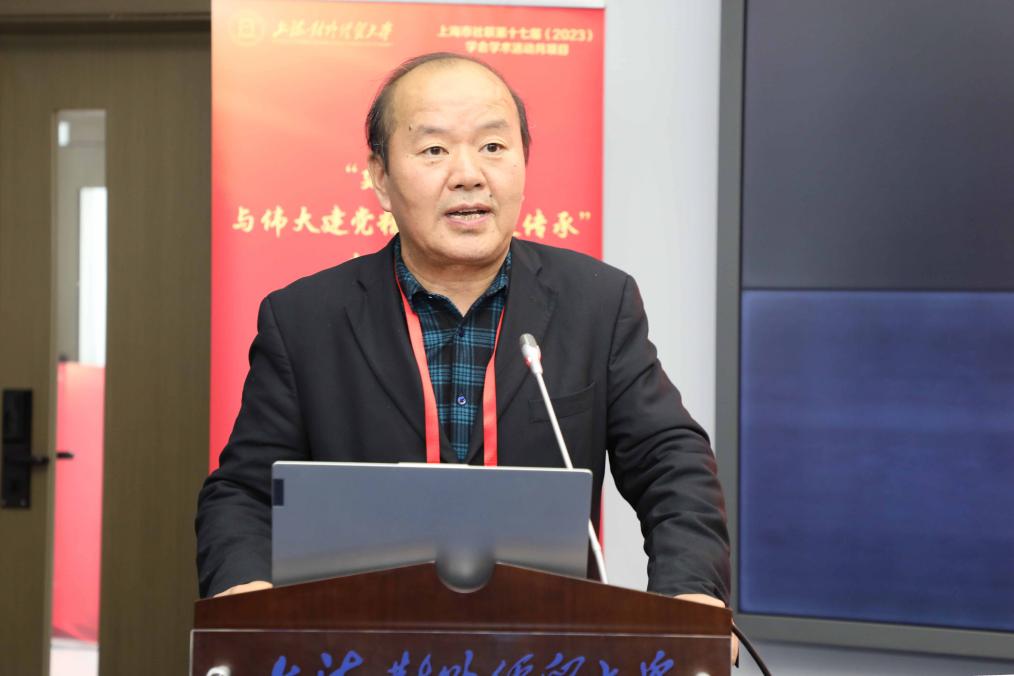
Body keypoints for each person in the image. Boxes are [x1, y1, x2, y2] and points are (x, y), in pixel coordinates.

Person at [196, 52, 731, 637]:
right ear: (380, 177)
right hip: (360, 647)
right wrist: (245, 594)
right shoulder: (304, 319)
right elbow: (244, 492)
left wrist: (690, 593)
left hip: (547, 649)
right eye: (433, 150)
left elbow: (670, 463)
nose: (469, 174)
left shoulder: (597, 303)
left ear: (524, 161)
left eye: (493, 146)